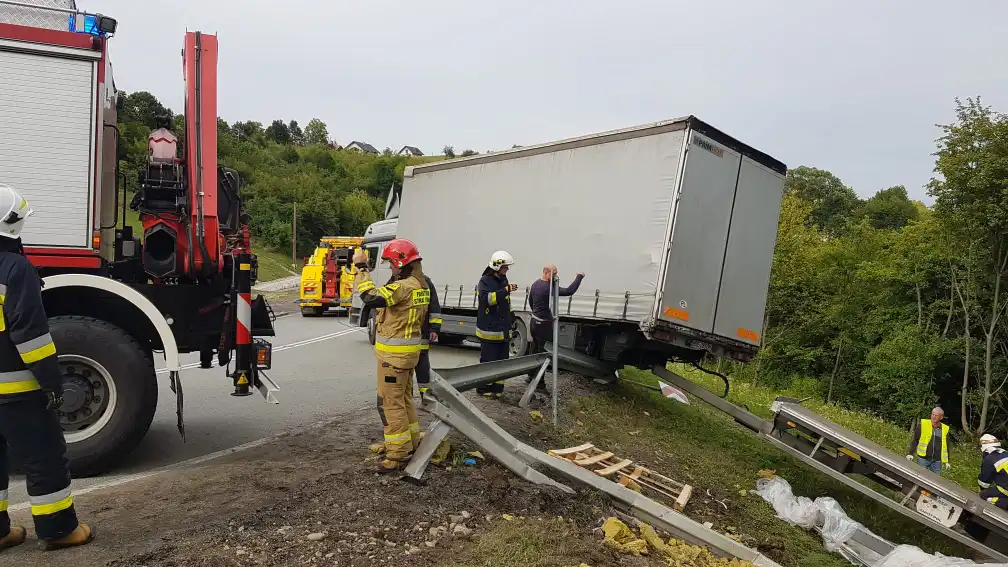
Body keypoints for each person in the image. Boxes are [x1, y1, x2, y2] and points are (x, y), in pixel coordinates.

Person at [0, 184, 92, 553]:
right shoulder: (15, 269)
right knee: (44, 458)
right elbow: (30, 336)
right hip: (16, 393)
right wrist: (51, 381)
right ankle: (58, 530)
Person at [353, 239, 430, 472]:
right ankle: (411, 443)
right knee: (404, 400)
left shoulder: (404, 287)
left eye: (390, 263)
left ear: (401, 262)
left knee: (389, 404)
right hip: (407, 355)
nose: (389, 268)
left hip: (394, 358)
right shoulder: (419, 285)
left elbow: (371, 297)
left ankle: (397, 455)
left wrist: (362, 268)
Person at [526, 266, 584, 383]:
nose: (557, 276)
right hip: (543, 325)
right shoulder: (548, 287)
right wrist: (579, 277)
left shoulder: (536, 284)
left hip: (534, 322)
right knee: (543, 353)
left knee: (534, 350)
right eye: (554, 274)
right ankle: (539, 382)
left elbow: (530, 301)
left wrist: (537, 312)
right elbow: (569, 291)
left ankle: (530, 376)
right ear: (547, 273)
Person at [475, 251, 517, 398]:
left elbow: (506, 303)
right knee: (488, 362)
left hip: (503, 330)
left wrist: (512, 317)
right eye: (505, 267)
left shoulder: (504, 280)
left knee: (502, 362)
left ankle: (497, 390)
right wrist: (505, 290)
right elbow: (489, 300)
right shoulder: (485, 281)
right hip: (489, 329)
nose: (507, 269)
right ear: (497, 266)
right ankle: (483, 388)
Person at [906, 407, 951, 475]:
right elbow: (915, 440)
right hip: (923, 459)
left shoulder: (945, 429)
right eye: (933, 414)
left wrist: (947, 461)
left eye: (936, 415)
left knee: (935, 481)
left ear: (941, 417)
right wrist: (910, 453)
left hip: (937, 461)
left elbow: (946, 445)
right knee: (920, 477)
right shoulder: (923, 424)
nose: (934, 417)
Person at [977, 434, 1008, 509]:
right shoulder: (1006, 454)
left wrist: (982, 490)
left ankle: (1005, 503)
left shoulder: (989, 459)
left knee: (984, 495)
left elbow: (984, 482)